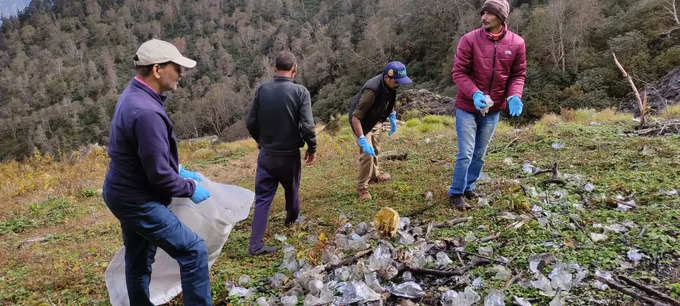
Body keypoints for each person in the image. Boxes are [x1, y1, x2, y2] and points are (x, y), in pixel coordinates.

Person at [102, 39, 213, 305]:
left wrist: (176, 168)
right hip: (136, 199)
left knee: (139, 257)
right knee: (193, 250)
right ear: (156, 69)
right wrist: (190, 187)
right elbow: (161, 177)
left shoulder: (135, 95)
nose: (181, 74)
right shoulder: (146, 111)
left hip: (121, 191)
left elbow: (143, 153)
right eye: (176, 67)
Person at [448, 0, 526, 210]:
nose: (483, 17)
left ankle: (468, 186)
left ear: (501, 17)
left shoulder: (517, 43)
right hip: (467, 106)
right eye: (483, 13)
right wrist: (474, 93)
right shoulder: (469, 40)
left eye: (489, 14)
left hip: (493, 109)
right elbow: (458, 72)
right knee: (465, 153)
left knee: (479, 154)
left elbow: (518, 75)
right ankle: (456, 192)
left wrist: (514, 96)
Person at [246, 51, 317, 256]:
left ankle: (255, 246)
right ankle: (291, 220)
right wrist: (311, 148)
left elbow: (251, 122)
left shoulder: (262, 90)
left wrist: (260, 141)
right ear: (294, 70)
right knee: (292, 190)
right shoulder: (300, 92)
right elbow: (308, 126)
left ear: (275, 69)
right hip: (289, 156)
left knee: (262, 199)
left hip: (267, 155)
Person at [348, 61, 412, 200]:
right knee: (367, 154)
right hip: (362, 123)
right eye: (397, 81)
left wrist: (392, 115)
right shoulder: (371, 91)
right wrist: (362, 139)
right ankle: (362, 188)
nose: (398, 84)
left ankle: (375, 176)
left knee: (376, 148)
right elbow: (355, 118)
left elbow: (390, 99)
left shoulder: (391, 85)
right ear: (386, 78)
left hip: (375, 119)